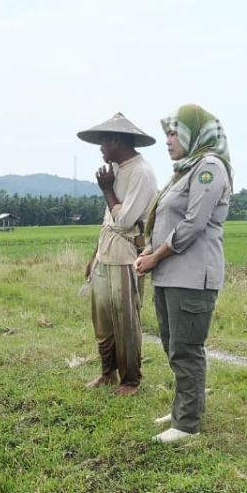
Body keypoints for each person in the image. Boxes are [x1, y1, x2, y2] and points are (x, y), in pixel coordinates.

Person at [134, 104, 232, 443]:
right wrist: (150, 252)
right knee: (172, 345)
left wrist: (155, 257)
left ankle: (188, 424)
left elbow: (193, 224)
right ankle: (183, 407)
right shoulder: (184, 171)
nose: (168, 141)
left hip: (191, 278)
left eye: (174, 133)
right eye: (167, 135)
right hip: (169, 274)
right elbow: (168, 222)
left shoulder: (209, 168)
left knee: (187, 349)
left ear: (194, 134)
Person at [77, 113, 159, 396]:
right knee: (102, 317)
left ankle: (131, 380)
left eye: (103, 141)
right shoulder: (115, 169)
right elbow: (107, 221)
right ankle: (107, 372)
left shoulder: (141, 172)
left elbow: (124, 221)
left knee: (125, 318)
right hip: (106, 252)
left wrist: (107, 189)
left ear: (116, 140)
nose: (100, 147)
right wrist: (94, 255)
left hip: (126, 255)